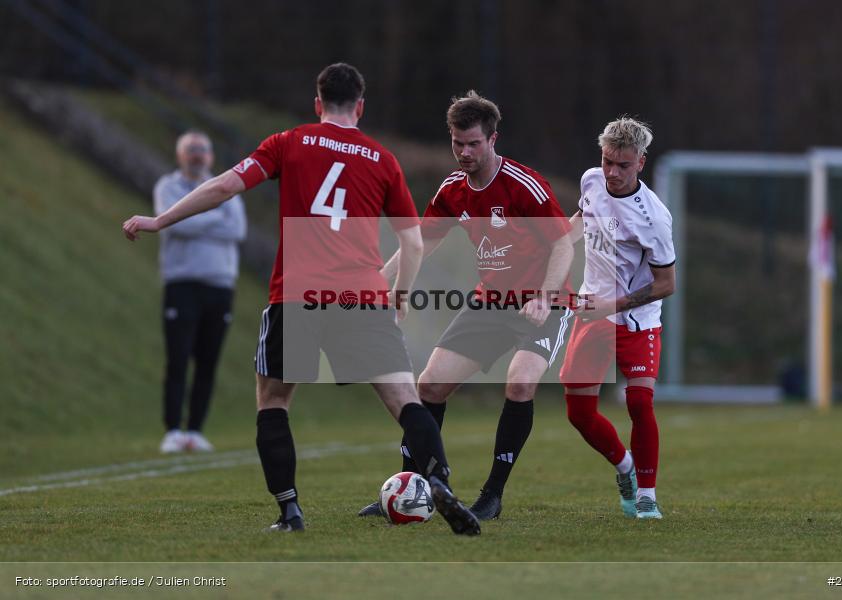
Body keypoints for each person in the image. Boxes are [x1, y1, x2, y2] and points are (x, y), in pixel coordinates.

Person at [123, 63, 480, 535]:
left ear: (317, 104)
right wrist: (399, 296)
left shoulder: (288, 142)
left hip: (297, 296)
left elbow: (225, 185)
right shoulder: (382, 159)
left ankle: (290, 512)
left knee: (273, 401)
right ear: (360, 107)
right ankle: (438, 480)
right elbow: (413, 244)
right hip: (362, 298)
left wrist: (159, 220)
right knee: (403, 398)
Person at [359, 91, 574, 521]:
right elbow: (419, 245)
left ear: (494, 139)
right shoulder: (453, 190)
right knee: (430, 385)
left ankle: (492, 494)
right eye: (458, 143)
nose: (464, 152)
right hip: (490, 301)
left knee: (520, 383)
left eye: (473, 143)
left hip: (543, 301)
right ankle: (410, 489)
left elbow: (564, 245)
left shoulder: (523, 185)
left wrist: (545, 296)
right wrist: (372, 287)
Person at [558, 117, 676, 520]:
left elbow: (666, 284)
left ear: (641, 162)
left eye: (623, 165)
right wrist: (559, 240)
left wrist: (609, 308)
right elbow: (584, 217)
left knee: (639, 402)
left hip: (636, 318)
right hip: (592, 312)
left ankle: (646, 494)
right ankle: (624, 467)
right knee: (578, 413)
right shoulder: (591, 180)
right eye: (607, 161)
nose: (612, 172)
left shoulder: (654, 218)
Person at [153, 130, 247, 454]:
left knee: (208, 361)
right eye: (191, 150)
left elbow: (237, 229)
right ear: (180, 154)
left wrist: (195, 215)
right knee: (178, 358)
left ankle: (195, 430)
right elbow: (175, 224)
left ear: (211, 156)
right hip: (182, 284)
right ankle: (172, 431)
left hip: (220, 285)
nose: (197, 155)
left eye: (203, 150)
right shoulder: (168, 187)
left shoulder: (228, 187)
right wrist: (211, 213)